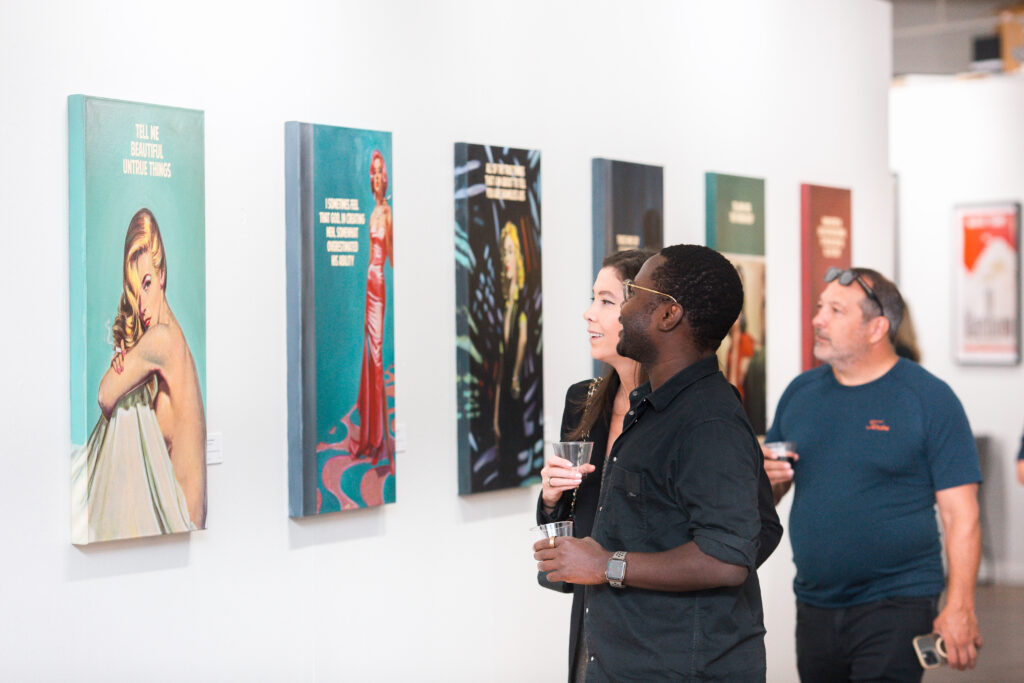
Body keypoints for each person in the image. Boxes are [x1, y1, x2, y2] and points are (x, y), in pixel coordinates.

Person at [534, 244, 782, 680]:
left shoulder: (708, 420)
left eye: (628, 296)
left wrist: (606, 565)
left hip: (681, 664)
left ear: (668, 315)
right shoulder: (649, 407)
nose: (617, 311)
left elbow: (727, 557)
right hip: (621, 654)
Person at [763, 266, 983, 681]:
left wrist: (960, 605)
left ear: (876, 327)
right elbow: (772, 489)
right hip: (814, 602)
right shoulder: (800, 393)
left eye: (836, 310)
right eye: (819, 307)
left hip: (897, 602)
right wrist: (768, 482)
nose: (817, 319)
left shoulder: (929, 398)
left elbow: (962, 516)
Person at [536, 248, 652, 679]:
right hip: (593, 618)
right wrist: (550, 497)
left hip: (659, 624)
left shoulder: (684, 408)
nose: (588, 314)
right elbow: (565, 524)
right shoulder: (582, 400)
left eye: (606, 301)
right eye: (592, 298)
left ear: (648, 312)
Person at [72, 208, 206, 542]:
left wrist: (125, 366)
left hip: (180, 524)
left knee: (126, 406)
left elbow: (104, 395)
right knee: (132, 401)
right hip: (179, 528)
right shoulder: (172, 339)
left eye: (147, 283)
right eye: (134, 291)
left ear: (161, 274)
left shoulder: (161, 341)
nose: (142, 303)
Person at [352, 150, 394, 463]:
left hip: (380, 282)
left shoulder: (388, 213)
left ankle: (379, 439)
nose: (376, 177)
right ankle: (368, 436)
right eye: (373, 172)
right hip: (369, 282)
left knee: (377, 357)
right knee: (369, 354)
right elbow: (370, 255)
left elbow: (391, 256)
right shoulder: (372, 213)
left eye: (380, 172)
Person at [493, 221, 529, 475]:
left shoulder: (521, 305)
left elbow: (524, 340)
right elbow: (501, 368)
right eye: (503, 252)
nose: (506, 258)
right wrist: (495, 415)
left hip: (515, 396)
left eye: (510, 251)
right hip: (504, 395)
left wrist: (516, 374)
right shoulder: (504, 306)